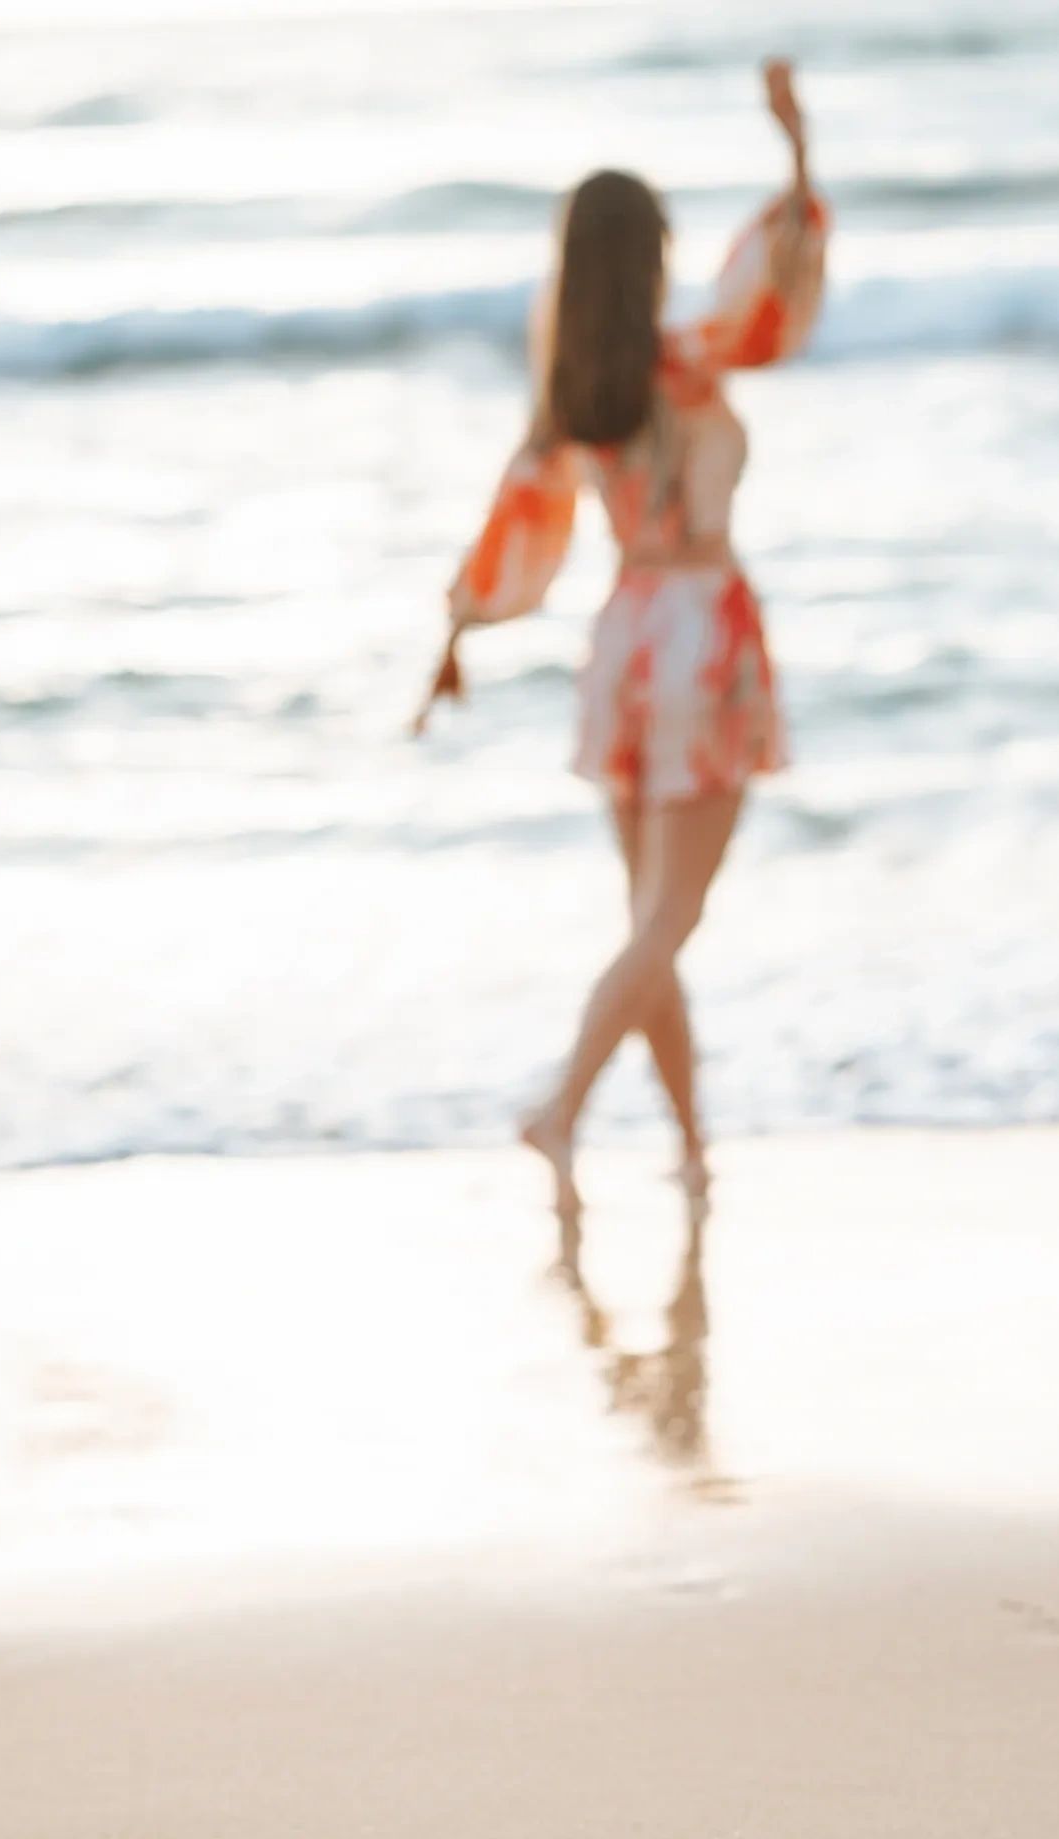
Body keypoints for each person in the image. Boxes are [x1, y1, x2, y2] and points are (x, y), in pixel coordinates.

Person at [415, 60, 828, 1220]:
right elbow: (776, 292)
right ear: (648, 256)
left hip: (626, 640)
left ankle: (692, 1147)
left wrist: (457, 632)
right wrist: (797, 154)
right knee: (665, 922)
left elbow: (516, 533)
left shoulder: (573, 397)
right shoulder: (683, 361)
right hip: (701, 628)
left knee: (649, 924)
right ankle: (561, 1109)